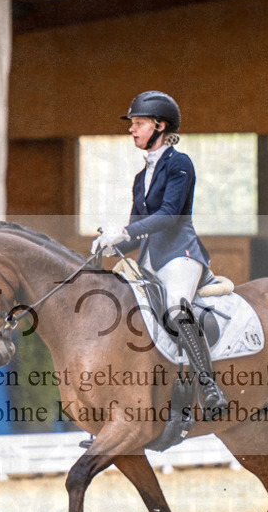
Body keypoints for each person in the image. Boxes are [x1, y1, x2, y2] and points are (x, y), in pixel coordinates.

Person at [91, 90, 228, 415]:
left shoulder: (180, 164)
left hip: (181, 255)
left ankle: (210, 387)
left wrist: (123, 232)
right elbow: (136, 232)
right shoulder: (141, 178)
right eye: (133, 124)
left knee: (176, 310)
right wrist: (109, 244)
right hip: (149, 261)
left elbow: (168, 214)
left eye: (138, 123)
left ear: (160, 126)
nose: (132, 129)